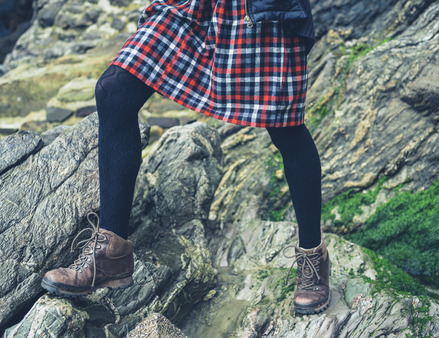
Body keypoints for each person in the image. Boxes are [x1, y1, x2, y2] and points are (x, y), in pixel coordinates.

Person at [41, 0, 330, 315]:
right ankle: (111, 253)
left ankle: (313, 258)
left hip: (261, 9)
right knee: (114, 90)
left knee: (285, 126)